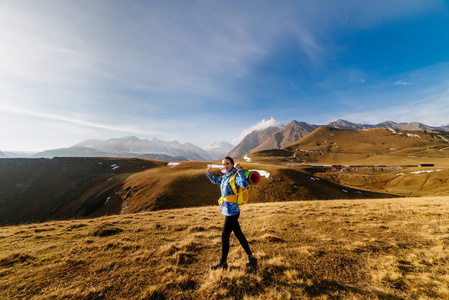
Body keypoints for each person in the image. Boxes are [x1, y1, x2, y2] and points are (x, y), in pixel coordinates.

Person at [206, 156, 257, 270]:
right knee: (238, 234)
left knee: (225, 235)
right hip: (227, 210)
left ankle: (223, 262)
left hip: (232, 211)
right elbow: (215, 181)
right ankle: (251, 257)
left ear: (232, 164)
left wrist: (239, 170)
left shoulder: (235, 176)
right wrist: (209, 173)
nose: (225, 166)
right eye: (223, 164)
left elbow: (244, 184)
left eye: (227, 164)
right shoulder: (225, 176)